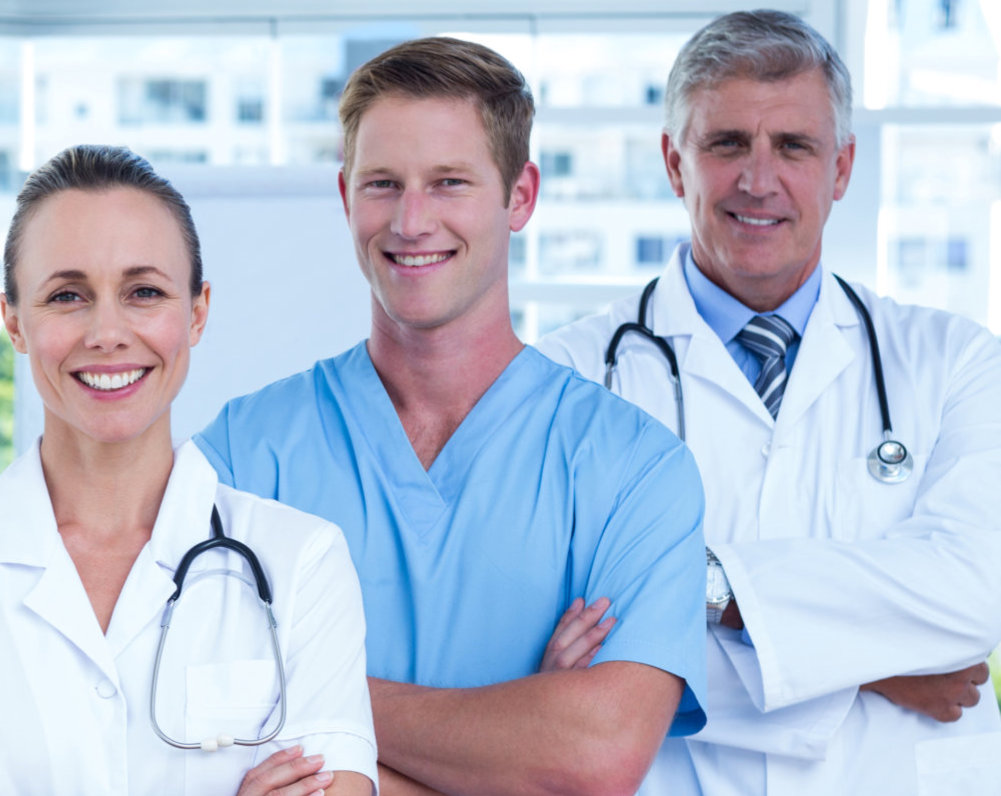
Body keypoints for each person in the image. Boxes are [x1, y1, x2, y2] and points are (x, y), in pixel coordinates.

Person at [193, 38, 706, 795]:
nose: (409, 220)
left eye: (449, 183)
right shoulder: (244, 452)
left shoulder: (632, 470)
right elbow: (183, 725)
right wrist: (518, 726)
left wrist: (303, 699)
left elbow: (593, 758)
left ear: (520, 195)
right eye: (381, 184)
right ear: (344, 198)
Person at [0, 144, 378, 795]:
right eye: (66, 295)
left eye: (143, 292)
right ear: (13, 320)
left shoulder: (300, 563)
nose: (106, 332)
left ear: (195, 312)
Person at [537, 10, 1001, 794]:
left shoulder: (956, 361)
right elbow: (558, 642)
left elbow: (973, 592)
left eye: (792, 146)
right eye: (725, 144)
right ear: (673, 161)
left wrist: (705, 593)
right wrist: (869, 670)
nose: (758, 180)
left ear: (842, 168)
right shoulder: (568, 376)